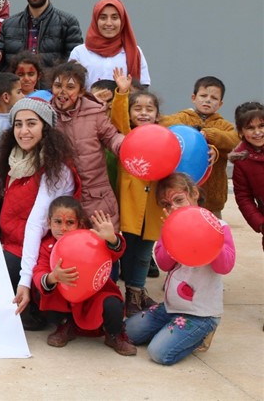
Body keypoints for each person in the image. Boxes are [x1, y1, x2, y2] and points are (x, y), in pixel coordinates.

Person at [0, 97, 78, 331]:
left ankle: (32, 302)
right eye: (18, 124)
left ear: (46, 128)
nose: (23, 131)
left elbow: (36, 224)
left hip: (37, 250)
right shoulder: (17, 159)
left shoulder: (57, 170)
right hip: (12, 242)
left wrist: (24, 281)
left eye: (31, 124)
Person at [125, 173, 236, 365]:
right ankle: (173, 330)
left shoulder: (218, 226)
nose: (173, 208)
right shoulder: (169, 228)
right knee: (127, 332)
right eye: (166, 204)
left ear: (193, 194)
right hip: (171, 308)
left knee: (158, 353)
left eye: (178, 200)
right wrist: (171, 233)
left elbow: (225, 266)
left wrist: (207, 236)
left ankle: (200, 335)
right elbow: (163, 264)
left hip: (201, 314)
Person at [31, 199, 136, 355]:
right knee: (41, 290)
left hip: (94, 295)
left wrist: (111, 239)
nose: (63, 228)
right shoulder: (47, 246)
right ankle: (66, 325)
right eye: (58, 222)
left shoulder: (91, 239)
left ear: (79, 223)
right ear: (49, 222)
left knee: (113, 304)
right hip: (65, 297)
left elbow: (115, 254)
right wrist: (53, 277)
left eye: (70, 222)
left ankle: (113, 334)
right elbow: (39, 270)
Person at [107, 69, 164, 315]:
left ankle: (136, 293)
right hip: (129, 203)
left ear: (157, 114)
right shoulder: (126, 135)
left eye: (149, 109)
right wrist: (121, 92)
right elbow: (117, 116)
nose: (143, 112)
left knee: (143, 253)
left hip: (153, 203)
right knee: (124, 250)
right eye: (137, 108)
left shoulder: (164, 137)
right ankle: (119, 294)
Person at [50, 62, 124, 228]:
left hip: (98, 198)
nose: (62, 92)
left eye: (70, 87)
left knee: (104, 247)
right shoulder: (46, 115)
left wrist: (125, 145)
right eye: (57, 85)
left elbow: (112, 137)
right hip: (64, 199)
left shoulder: (95, 112)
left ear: (81, 91)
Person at [159, 76, 239, 217]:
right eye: (203, 95)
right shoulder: (183, 117)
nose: (207, 100)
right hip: (180, 196)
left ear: (220, 104)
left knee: (213, 232)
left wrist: (210, 137)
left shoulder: (223, 125)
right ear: (193, 98)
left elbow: (234, 139)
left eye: (214, 98)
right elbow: (164, 122)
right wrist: (191, 132)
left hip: (212, 199)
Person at [0, 0, 83, 68]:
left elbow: (74, 68)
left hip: (50, 84)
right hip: (16, 84)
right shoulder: (8, 25)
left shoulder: (68, 23)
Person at [69, 0, 150, 89]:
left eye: (114, 18)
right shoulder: (79, 52)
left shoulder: (134, 52)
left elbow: (142, 89)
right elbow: (71, 87)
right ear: (96, 20)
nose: (109, 23)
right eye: (103, 18)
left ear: (122, 21)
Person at [232, 102, 264, 252]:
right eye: (251, 128)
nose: (257, 132)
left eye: (261, 126)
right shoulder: (241, 160)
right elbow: (244, 197)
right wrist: (260, 223)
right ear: (241, 132)